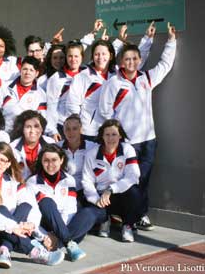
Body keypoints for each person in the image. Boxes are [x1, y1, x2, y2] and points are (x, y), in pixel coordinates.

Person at [99, 23, 177, 231]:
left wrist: (171, 41)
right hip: (127, 143)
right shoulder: (114, 83)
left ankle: (139, 215)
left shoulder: (147, 78)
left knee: (143, 181)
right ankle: (125, 217)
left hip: (148, 141)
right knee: (128, 182)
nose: (132, 62)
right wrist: (114, 139)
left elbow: (165, 64)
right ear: (121, 63)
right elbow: (106, 113)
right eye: (127, 59)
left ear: (140, 61)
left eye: (135, 59)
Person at [0, 142, 65, 268]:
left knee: (25, 206)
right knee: (1, 209)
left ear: (8, 164)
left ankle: (4, 250)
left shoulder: (10, 181)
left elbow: (29, 202)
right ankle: (34, 251)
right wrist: (13, 227)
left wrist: (31, 224)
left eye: (3, 160)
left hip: (3, 234)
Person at [66, 22, 156, 141]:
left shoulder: (117, 74)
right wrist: (77, 127)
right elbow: (73, 104)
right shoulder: (83, 76)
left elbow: (136, 62)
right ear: (92, 57)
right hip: (90, 131)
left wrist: (147, 39)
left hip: (112, 133)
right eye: (96, 54)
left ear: (111, 56)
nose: (100, 57)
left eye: (104, 54)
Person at [27, 144, 103, 261]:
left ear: (61, 160)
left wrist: (57, 232)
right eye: (46, 160)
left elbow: (70, 210)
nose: (50, 164)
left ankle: (56, 243)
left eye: (54, 160)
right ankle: (68, 243)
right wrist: (44, 235)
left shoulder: (69, 180)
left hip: (66, 225)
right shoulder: (32, 182)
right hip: (44, 226)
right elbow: (32, 215)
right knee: (47, 202)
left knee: (90, 213)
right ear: (41, 162)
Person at [81, 119, 142, 242]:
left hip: (120, 195)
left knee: (135, 192)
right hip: (101, 197)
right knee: (88, 205)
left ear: (120, 135)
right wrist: (96, 199)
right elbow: (86, 181)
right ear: (102, 136)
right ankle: (105, 220)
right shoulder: (91, 154)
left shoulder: (127, 150)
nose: (110, 138)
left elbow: (133, 176)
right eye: (107, 134)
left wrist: (111, 189)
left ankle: (127, 225)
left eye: (114, 134)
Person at [46, 41, 86, 141]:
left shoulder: (87, 74)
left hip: (85, 126)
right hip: (63, 125)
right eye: (70, 56)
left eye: (76, 56)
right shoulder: (56, 78)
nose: (73, 59)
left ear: (82, 57)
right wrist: (52, 130)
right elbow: (51, 105)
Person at [57, 114, 96, 203]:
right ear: (63, 131)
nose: (71, 132)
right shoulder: (57, 148)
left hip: (85, 190)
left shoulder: (92, 147)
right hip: (64, 191)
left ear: (81, 130)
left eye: (75, 129)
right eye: (67, 129)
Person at [3, 56, 47, 132]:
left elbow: (41, 118)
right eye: (25, 69)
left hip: (26, 134)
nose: (27, 73)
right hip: (5, 131)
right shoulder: (5, 87)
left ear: (36, 73)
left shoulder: (41, 94)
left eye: (31, 70)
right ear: (20, 70)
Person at [10, 110, 54, 179]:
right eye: (28, 127)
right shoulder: (12, 147)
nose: (32, 131)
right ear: (22, 129)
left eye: (36, 126)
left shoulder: (51, 144)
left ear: (42, 128)